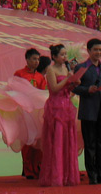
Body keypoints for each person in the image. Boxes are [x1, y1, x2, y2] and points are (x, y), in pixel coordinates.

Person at [39, 43, 83, 186]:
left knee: (67, 141)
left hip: (67, 106)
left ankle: (68, 175)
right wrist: (67, 79)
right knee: (57, 141)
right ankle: (56, 176)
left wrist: (74, 84)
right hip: (55, 107)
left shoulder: (66, 68)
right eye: (62, 54)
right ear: (54, 56)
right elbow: (54, 88)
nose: (65, 57)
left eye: (65, 54)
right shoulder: (50, 70)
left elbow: (67, 89)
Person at [74, 38, 101, 185]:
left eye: (100, 50)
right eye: (95, 50)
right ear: (89, 51)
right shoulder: (81, 68)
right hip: (88, 110)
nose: (98, 52)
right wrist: (87, 90)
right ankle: (92, 175)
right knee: (90, 144)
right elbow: (74, 87)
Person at [13, 48, 47, 178]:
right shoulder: (19, 74)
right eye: (34, 59)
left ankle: (37, 168)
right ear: (27, 60)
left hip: (37, 113)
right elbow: (14, 91)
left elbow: (43, 94)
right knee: (27, 142)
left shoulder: (40, 77)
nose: (36, 62)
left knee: (38, 142)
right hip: (24, 112)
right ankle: (28, 170)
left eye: (38, 59)